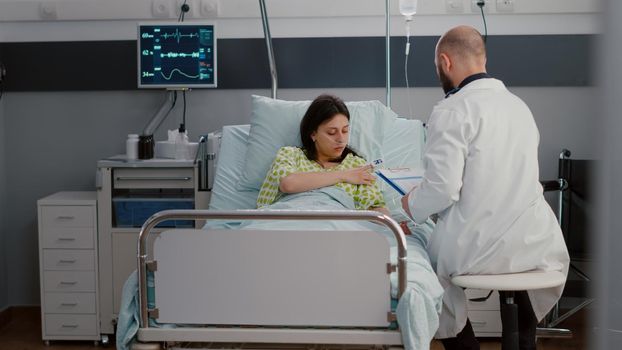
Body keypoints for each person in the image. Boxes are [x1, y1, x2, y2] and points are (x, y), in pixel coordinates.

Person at [401, 25, 569, 350]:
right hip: (536, 243)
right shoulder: (519, 107)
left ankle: (465, 347)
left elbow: (442, 188)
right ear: (484, 58)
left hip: (476, 247)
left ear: (445, 63)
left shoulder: (451, 110)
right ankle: (524, 343)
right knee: (521, 283)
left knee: (431, 277)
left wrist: (410, 204)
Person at [257, 94, 387, 213]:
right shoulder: (290, 154)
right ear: (313, 134)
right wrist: (343, 175)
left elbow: (375, 207)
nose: (341, 139)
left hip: (336, 226)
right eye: (332, 132)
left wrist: (394, 224)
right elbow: (288, 184)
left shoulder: (357, 165)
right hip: (289, 219)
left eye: (345, 131)